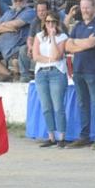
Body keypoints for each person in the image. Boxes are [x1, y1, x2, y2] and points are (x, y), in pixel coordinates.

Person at [66, 0, 95, 151]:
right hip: (78, 69)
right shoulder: (77, 25)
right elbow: (67, 46)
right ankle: (84, 136)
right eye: (82, 7)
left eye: (87, 7)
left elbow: (93, 43)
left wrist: (77, 43)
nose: (84, 10)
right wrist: (82, 44)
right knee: (83, 104)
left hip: (93, 70)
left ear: (94, 7)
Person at [33, 13, 69, 147]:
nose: (50, 24)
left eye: (53, 21)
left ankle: (62, 137)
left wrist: (53, 37)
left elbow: (57, 55)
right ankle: (51, 136)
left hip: (56, 73)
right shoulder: (39, 36)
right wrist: (49, 60)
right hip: (41, 73)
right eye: (48, 21)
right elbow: (36, 56)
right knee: (46, 106)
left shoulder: (62, 37)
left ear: (57, 23)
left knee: (58, 106)